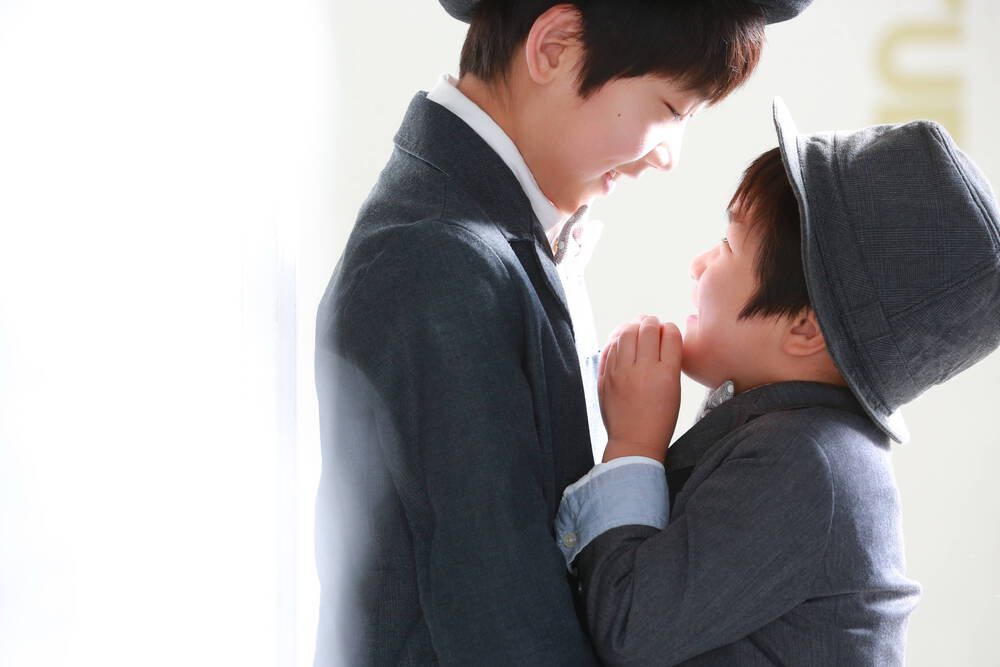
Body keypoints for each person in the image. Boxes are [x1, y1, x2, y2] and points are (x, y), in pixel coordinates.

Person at [314, 1, 813, 664]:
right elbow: (504, 622)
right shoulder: (438, 260)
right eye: (670, 109)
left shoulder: (493, 232)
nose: (670, 156)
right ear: (555, 47)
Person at [555, 98, 1000, 665]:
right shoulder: (800, 438)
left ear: (804, 328)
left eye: (728, 247)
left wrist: (634, 444)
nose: (698, 264)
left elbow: (630, 626)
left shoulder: (808, 463)